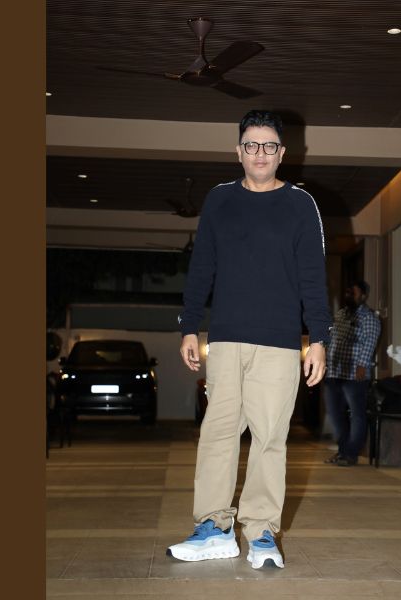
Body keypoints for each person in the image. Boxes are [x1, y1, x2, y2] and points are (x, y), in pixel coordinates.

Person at [167, 110, 332, 569]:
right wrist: (188, 325)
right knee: (217, 433)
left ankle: (261, 533)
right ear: (238, 151)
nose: (260, 153)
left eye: (269, 145)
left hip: (279, 343)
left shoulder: (301, 204)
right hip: (226, 339)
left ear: (283, 153)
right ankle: (214, 528)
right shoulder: (219, 200)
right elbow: (202, 268)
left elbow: (313, 278)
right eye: (252, 145)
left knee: (269, 438)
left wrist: (319, 338)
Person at [323, 281, 381, 466]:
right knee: (335, 414)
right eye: (347, 292)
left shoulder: (369, 318)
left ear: (363, 296)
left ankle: (351, 454)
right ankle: (343, 451)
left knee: (356, 415)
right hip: (334, 372)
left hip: (354, 375)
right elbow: (333, 340)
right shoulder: (340, 315)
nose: (348, 296)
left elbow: (370, 342)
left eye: (353, 293)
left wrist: (362, 365)